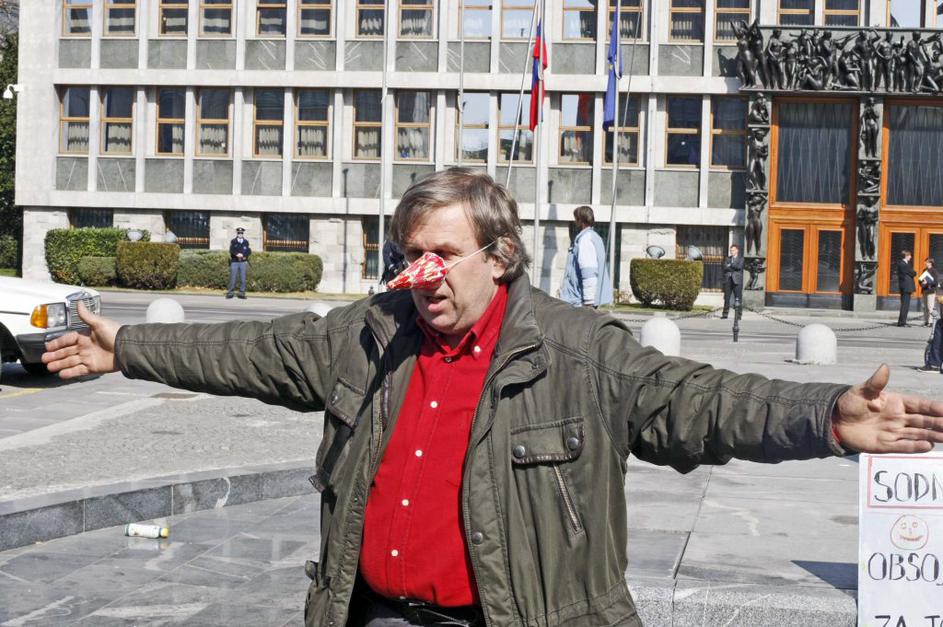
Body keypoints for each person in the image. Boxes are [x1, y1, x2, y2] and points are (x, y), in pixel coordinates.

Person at [42, 169, 943, 627]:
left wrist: (824, 416)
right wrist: (129, 346)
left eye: (441, 254)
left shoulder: (578, 350)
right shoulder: (371, 331)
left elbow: (699, 400)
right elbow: (249, 347)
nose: (419, 274)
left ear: (500, 256)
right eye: (408, 255)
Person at [560, 205, 613, 309]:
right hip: (580, 301)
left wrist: (589, 303)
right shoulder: (594, 237)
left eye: (576, 219)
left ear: (581, 221)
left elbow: (589, 272)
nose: (575, 222)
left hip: (579, 303)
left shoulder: (585, 240)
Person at [227, 227, 251, 300]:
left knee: (243, 279)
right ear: (237, 234)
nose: (240, 234)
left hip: (242, 262)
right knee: (233, 278)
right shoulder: (233, 241)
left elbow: (248, 251)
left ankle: (241, 293)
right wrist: (237, 254)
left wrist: (243, 255)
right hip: (235, 261)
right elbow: (231, 250)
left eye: (241, 233)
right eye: (239, 233)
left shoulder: (246, 242)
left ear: (243, 234)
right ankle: (230, 293)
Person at [721, 244, 744, 319]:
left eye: (733, 250)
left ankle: (739, 315)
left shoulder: (741, 259)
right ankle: (725, 314)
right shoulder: (727, 258)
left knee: (738, 298)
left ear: (737, 250)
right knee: (726, 298)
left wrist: (730, 265)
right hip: (728, 280)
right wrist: (732, 266)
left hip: (737, 281)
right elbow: (725, 267)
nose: (731, 252)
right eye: (730, 250)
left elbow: (739, 267)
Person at [919, 257, 941, 328]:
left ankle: (930, 322)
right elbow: (920, 280)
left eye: (926, 262)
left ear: (930, 263)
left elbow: (936, 282)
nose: (925, 263)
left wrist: (928, 283)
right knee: (924, 306)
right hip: (924, 290)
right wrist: (922, 283)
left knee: (930, 307)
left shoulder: (934, 271)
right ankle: (926, 321)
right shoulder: (924, 270)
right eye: (925, 262)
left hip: (931, 291)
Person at [897, 249, 917, 327]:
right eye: (910, 255)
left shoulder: (904, 263)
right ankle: (902, 322)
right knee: (905, 305)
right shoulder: (903, 264)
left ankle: (901, 321)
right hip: (906, 287)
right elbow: (913, 273)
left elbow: (911, 273)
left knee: (905, 305)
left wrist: (913, 272)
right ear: (906, 256)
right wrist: (913, 272)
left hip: (905, 287)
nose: (911, 257)